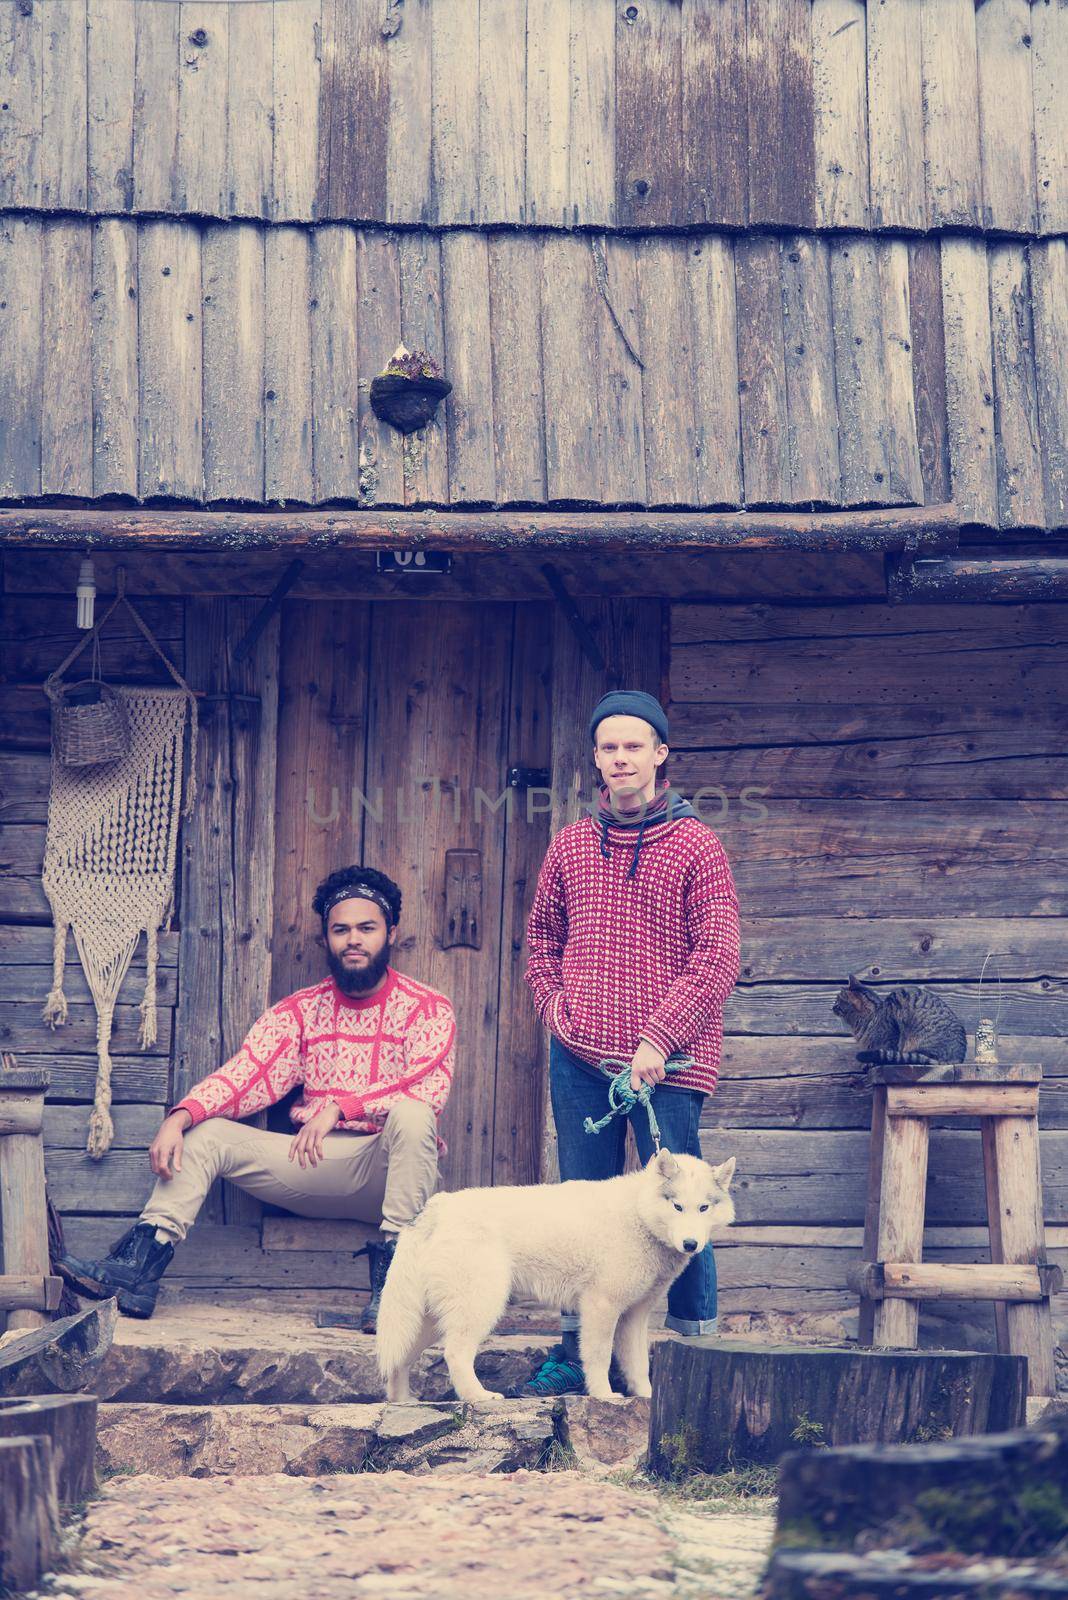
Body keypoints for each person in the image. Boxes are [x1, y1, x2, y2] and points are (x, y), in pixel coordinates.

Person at [59, 866, 456, 1329]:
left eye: (366, 928)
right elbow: (247, 1075)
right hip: (314, 1166)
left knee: (412, 1114)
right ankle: (140, 1267)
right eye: (340, 929)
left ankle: (395, 1294)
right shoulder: (301, 1011)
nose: (353, 940)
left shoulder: (429, 1007)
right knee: (207, 1134)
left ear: (391, 932)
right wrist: (181, 1115)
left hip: (388, 1172)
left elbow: (428, 1088)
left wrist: (341, 1107)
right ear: (325, 937)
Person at [519, 689, 741, 1396]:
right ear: (596, 758)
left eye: (634, 746)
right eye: (609, 747)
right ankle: (571, 1352)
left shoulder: (695, 844)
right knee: (581, 1208)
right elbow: (541, 938)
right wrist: (555, 1007)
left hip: (670, 1063)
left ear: (660, 754)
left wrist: (658, 1037)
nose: (621, 758)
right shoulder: (572, 843)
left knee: (686, 1202)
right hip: (583, 1058)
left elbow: (718, 954)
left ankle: (689, 1353)